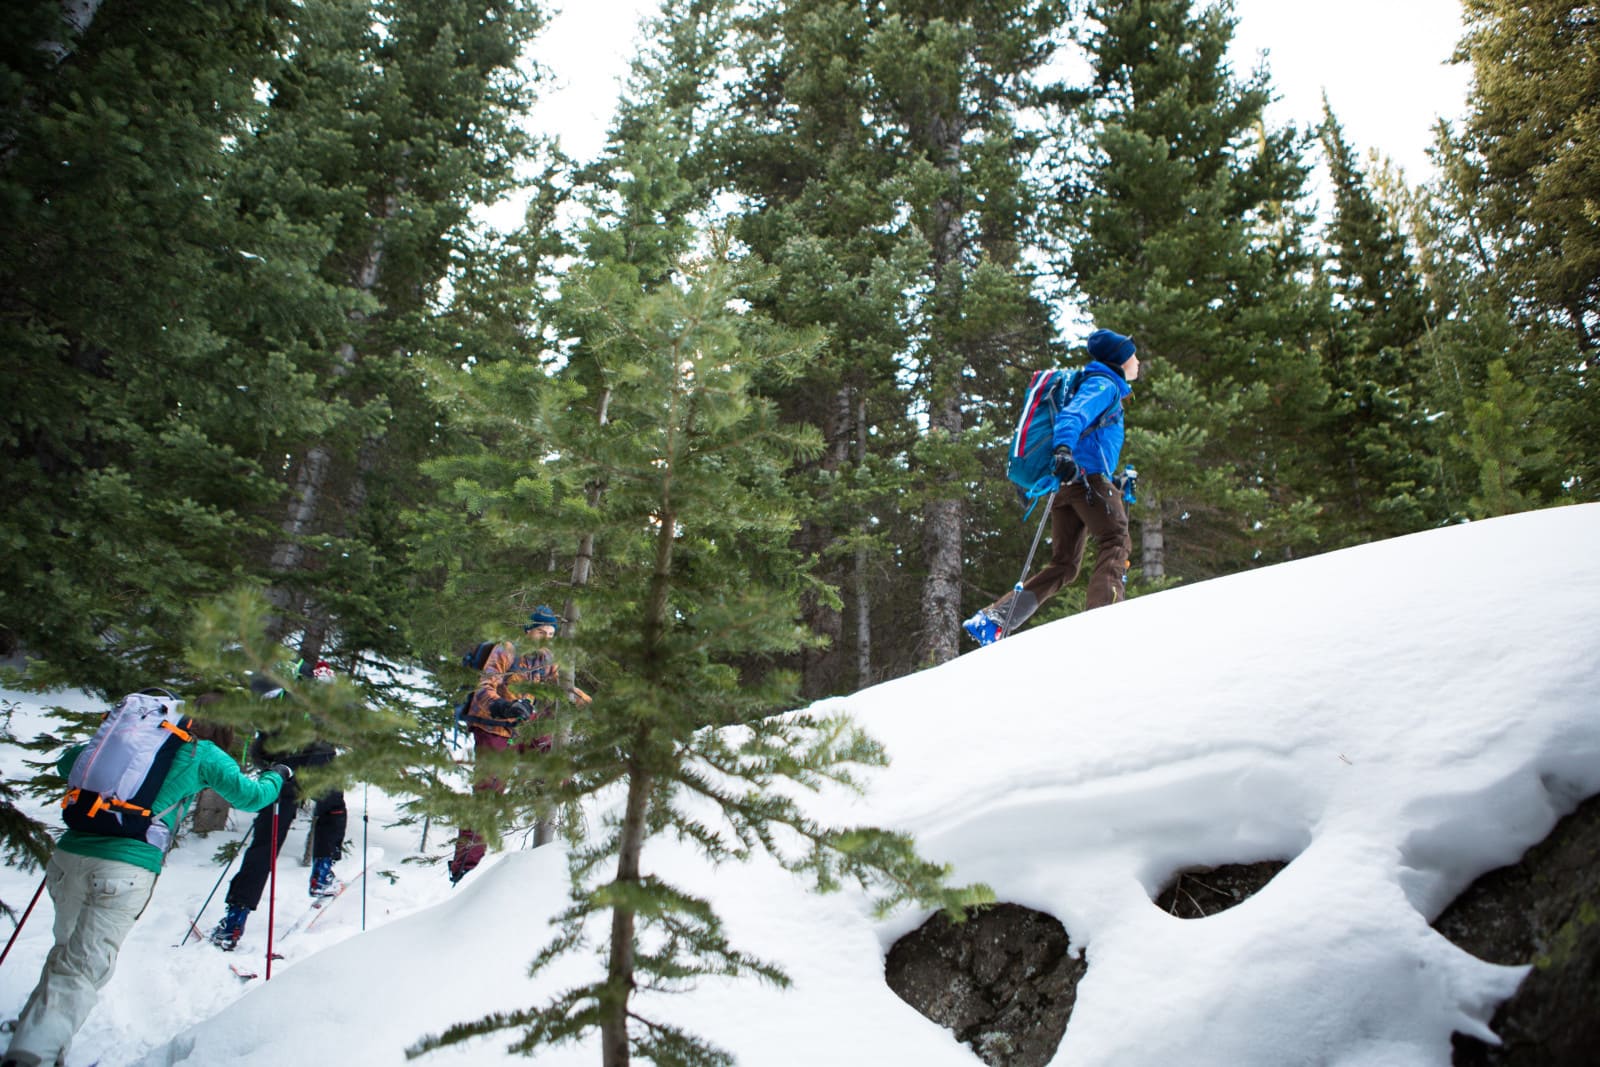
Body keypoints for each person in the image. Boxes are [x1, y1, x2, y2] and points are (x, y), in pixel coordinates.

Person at [2, 690, 287, 1067]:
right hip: (124, 870)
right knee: (84, 966)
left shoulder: (130, 740)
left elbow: (67, 763)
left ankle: (33, 1030)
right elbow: (252, 797)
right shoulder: (202, 752)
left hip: (68, 857)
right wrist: (277, 776)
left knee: (67, 949)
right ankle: (32, 1055)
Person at [965, 328, 1140, 645]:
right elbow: (1073, 417)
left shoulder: (1094, 384)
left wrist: (1112, 481)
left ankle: (994, 620)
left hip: (1069, 485)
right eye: (1133, 354)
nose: (1137, 360)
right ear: (1121, 360)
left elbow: (1088, 438)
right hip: (1085, 480)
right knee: (1116, 539)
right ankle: (1106, 620)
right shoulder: (1104, 385)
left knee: (1064, 565)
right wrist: (1063, 451)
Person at [208, 658, 345, 951]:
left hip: (280, 769)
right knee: (332, 810)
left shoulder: (278, 693)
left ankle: (234, 920)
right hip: (319, 762)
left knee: (265, 843)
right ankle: (322, 873)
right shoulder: (319, 692)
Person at [447, 605, 590, 884]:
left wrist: (580, 698)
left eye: (551, 633)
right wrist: (504, 706)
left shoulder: (548, 656)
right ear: (528, 630)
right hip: (493, 725)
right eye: (540, 632)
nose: (546, 638)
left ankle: (560, 833)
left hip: (525, 723)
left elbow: (557, 684)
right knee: (490, 793)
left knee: (554, 756)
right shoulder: (507, 650)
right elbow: (485, 686)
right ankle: (464, 867)